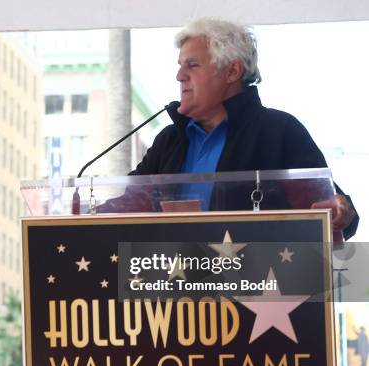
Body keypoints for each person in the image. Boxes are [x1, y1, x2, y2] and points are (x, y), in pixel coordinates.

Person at [130, 17, 359, 239]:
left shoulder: (279, 131)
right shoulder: (169, 140)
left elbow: (335, 212)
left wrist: (340, 211)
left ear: (232, 72)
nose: (179, 76)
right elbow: (126, 205)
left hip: (256, 275)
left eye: (192, 65)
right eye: (180, 66)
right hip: (168, 274)